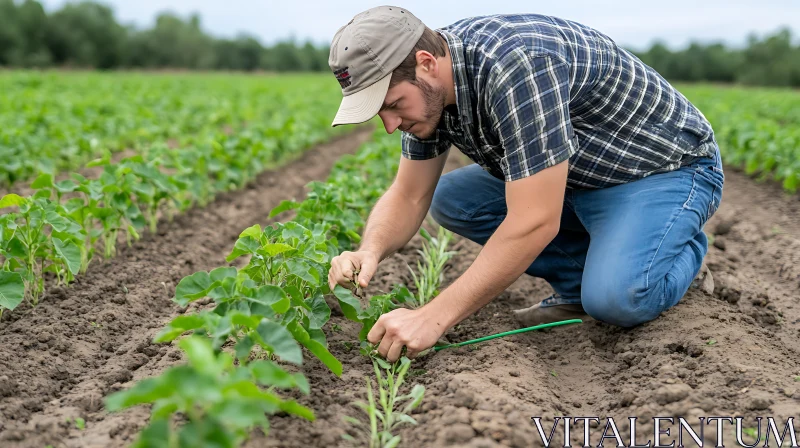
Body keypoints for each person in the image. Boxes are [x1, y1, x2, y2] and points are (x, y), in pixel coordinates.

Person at [326, 6, 723, 362]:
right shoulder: (430, 90)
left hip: (663, 171)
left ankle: (673, 254)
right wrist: (370, 250)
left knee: (619, 300)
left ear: (426, 62)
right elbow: (409, 194)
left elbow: (534, 219)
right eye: (381, 112)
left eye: (393, 105)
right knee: (453, 199)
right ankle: (577, 287)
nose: (390, 124)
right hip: (576, 178)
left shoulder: (517, 64)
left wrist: (432, 317)